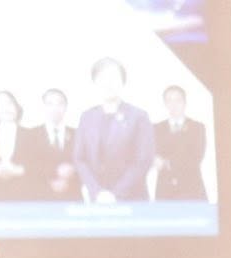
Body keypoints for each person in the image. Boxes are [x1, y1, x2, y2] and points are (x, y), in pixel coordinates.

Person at [75, 57, 155, 202]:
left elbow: (143, 160)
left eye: (113, 78)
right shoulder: (86, 117)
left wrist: (115, 194)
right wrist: (97, 192)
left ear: (122, 81)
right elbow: (79, 159)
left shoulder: (138, 116)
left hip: (132, 199)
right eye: (102, 78)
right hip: (97, 199)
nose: (108, 83)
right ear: (95, 82)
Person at [17, 87, 78, 200]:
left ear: (66, 107)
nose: (55, 108)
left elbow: (85, 163)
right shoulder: (30, 135)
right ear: (43, 107)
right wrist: (53, 175)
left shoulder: (78, 134)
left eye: (60, 103)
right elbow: (27, 165)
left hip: (72, 197)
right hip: (40, 197)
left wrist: (72, 171)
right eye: (50, 104)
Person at [153, 85, 207, 200]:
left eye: (178, 100)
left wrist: (167, 163)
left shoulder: (197, 127)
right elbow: (153, 155)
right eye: (169, 100)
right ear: (165, 104)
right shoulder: (156, 129)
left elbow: (196, 157)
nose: (174, 105)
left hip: (192, 189)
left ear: (185, 102)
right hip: (165, 190)